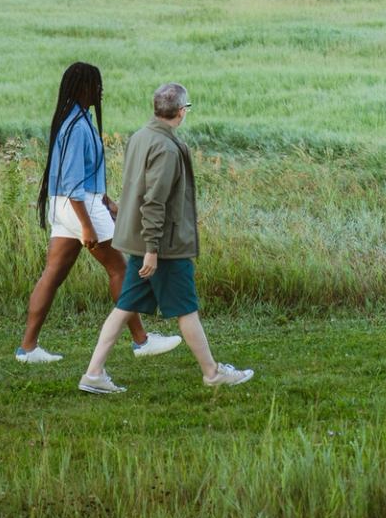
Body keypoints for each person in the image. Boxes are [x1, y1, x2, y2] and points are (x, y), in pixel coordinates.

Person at [80, 82, 253, 394]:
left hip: (142, 241)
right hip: (164, 246)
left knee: (124, 307)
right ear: (182, 111)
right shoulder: (167, 149)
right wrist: (152, 249)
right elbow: (154, 201)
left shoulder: (140, 136)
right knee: (186, 308)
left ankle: (93, 373)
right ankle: (212, 373)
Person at [17, 62, 181, 364]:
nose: (101, 90)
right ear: (83, 88)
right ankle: (141, 341)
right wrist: (86, 225)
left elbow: (82, 175)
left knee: (52, 274)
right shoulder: (78, 127)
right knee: (120, 269)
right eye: (97, 85)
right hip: (79, 205)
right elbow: (72, 181)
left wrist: (107, 200)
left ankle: (27, 349)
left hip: (69, 204)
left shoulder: (76, 120)